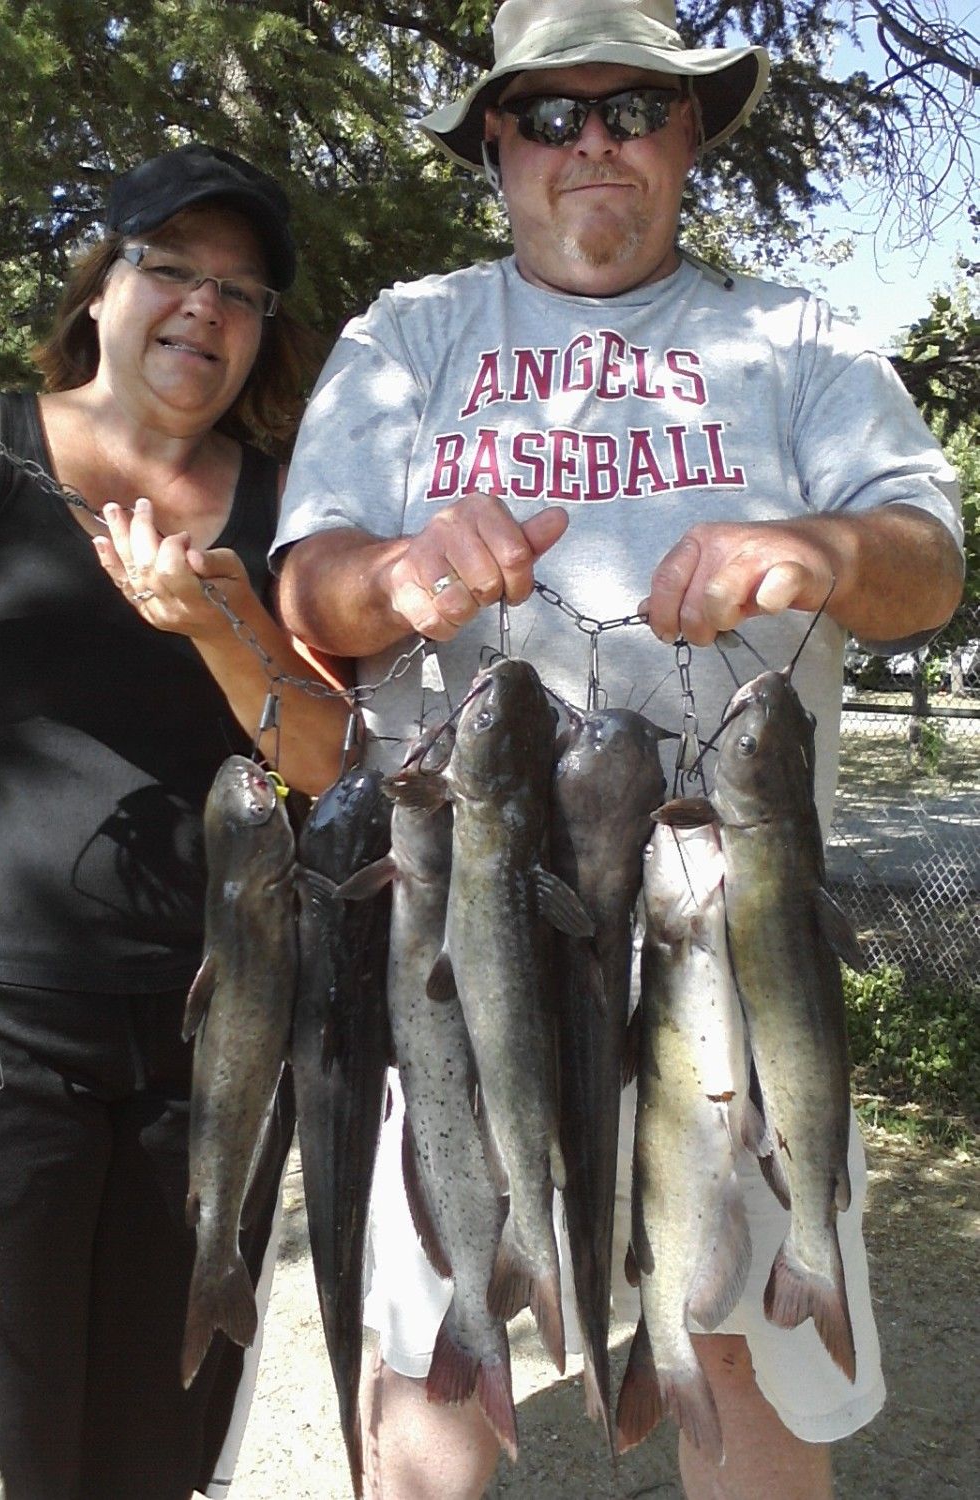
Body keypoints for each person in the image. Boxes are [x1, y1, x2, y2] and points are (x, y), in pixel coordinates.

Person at [271, 2, 965, 1497]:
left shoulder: (797, 337)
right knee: (438, 1349)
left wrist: (827, 547)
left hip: (732, 933)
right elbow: (307, 586)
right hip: (456, 936)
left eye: (633, 107)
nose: (592, 142)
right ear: (496, 146)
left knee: (736, 1347)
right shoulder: (407, 336)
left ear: (687, 133)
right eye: (549, 114)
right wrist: (394, 572)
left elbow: (927, 566)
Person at [0, 142, 350, 1499]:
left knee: (154, 1444)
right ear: (101, 288)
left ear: (265, 328)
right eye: (170, 267)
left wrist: (216, 624)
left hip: (217, 1032)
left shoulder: (287, 506)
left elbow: (324, 757)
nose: (203, 306)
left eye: (240, 291)